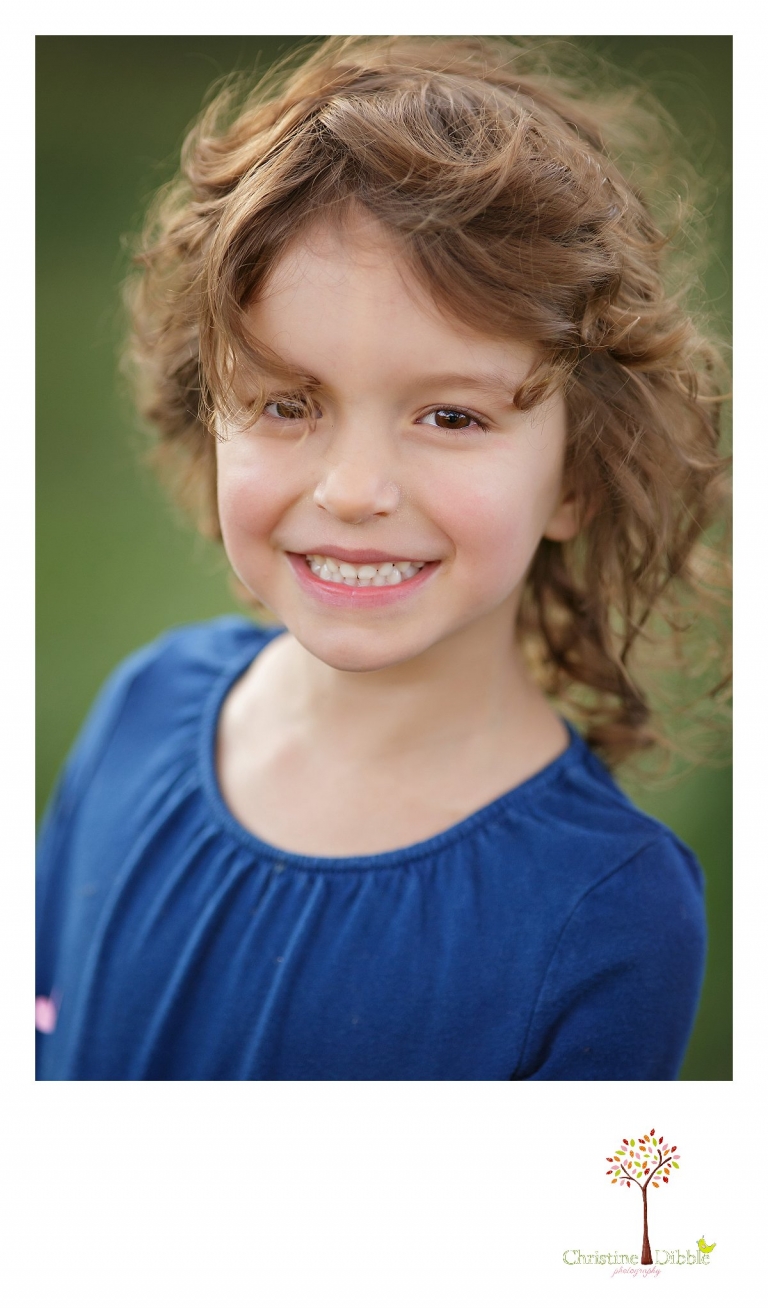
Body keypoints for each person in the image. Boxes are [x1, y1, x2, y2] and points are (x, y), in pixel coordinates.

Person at [36, 36, 729, 1080]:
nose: (353, 489)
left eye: (450, 415)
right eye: (286, 404)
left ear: (581, 473)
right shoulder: (145, 707)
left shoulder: (609, 911)